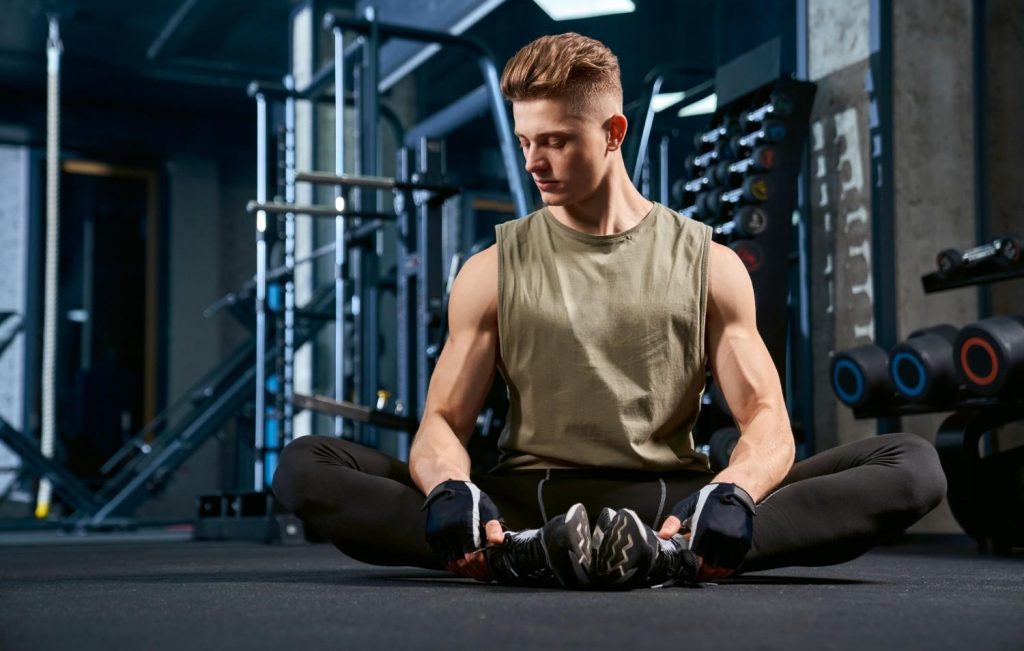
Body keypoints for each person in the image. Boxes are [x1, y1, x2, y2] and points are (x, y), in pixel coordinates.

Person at [272, 33, 947, 589]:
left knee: (912, 464)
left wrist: (734, 492)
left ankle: (668, 551)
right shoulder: (491, 271)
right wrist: (451, 489)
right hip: (522, 500)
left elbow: (767, 419)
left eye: (555, 140)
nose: (534, 161)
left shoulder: (707, 264)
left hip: (669, 502)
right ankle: (534, 549)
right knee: (305, 464)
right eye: (525, 140)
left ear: (614, 132)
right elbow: (443, 421)